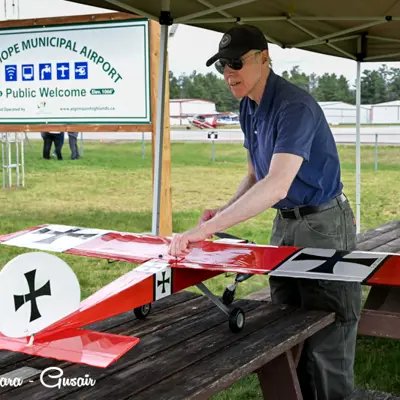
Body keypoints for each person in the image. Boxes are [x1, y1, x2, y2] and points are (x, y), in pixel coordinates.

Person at [168, 24, 362, 400]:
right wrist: (221, 212)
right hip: (285, 222)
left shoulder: (295, 107)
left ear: (263, 59)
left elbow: (276, 185)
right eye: (221, 66)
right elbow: (255, 174)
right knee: (284, 324)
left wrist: (205, 232)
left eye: (235, 63)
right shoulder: (248, 107)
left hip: (322, 223)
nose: (228, 74)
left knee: (327, 330)